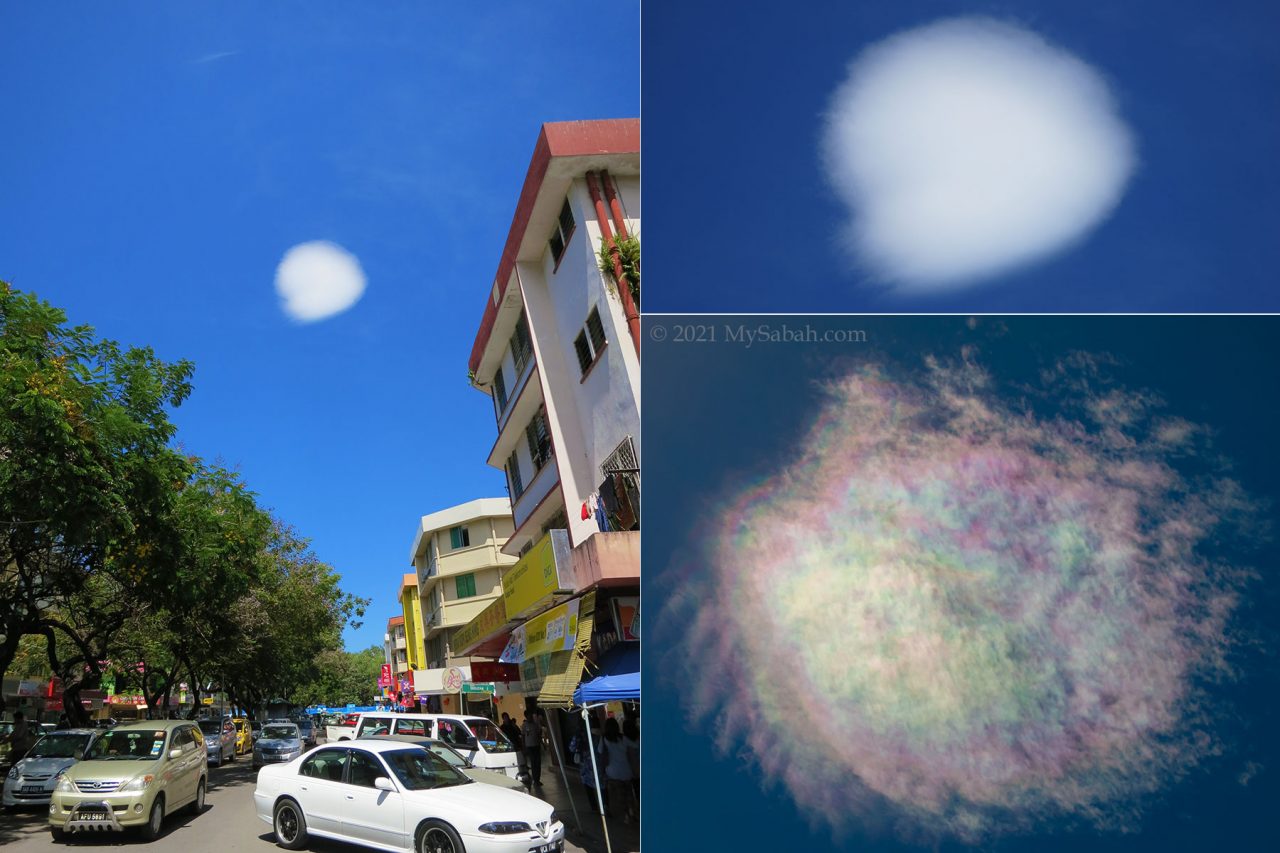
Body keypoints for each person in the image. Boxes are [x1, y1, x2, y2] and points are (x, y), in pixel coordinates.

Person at [598, 718, 637, 824]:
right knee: (629, 793)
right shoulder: (622, 738)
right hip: (626, 770)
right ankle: (632, 812)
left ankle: (626, 815)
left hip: (612, 771)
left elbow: (600, 751)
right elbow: (636, 745)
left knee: (620, 795)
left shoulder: (604, 739)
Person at [521, 711, 543, 786]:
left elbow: (539, 733)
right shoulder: (524, 725)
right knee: (533, 763)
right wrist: (524, 746)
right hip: (530, 746)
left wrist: (541, 742)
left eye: (531, 716)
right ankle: (535, 780)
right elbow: (523, 736)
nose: (530, 717)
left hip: (536, 745)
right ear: (526, 716)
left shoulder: (535, 724)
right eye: (528, 716)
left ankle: (538, 779)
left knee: (538, 763)